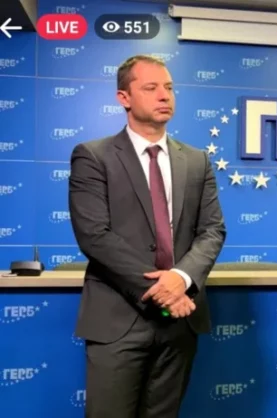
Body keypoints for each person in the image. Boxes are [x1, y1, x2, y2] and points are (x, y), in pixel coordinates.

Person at [68, 54, 226, 418]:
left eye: (168, 87)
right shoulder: (93, 156)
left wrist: (181, 279)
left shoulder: (197, 160)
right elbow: (94, 235)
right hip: (118, 320)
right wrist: (164, 290)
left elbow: (212, 229)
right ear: (123, 97)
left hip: (180, 323)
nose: (164, 96)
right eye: (151, 88)